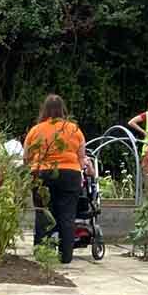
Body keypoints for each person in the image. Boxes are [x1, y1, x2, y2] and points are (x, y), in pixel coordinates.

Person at [24, 94, 89, 265]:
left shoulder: (36, 130)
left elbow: (26, 157)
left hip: (42, 174)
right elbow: (82, 156)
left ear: (44, 109)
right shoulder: (74, 129)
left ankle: (41, 252)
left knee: (43, 213)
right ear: (62, 109)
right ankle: (66, 256)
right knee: (67, 216)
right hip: (70, 174)